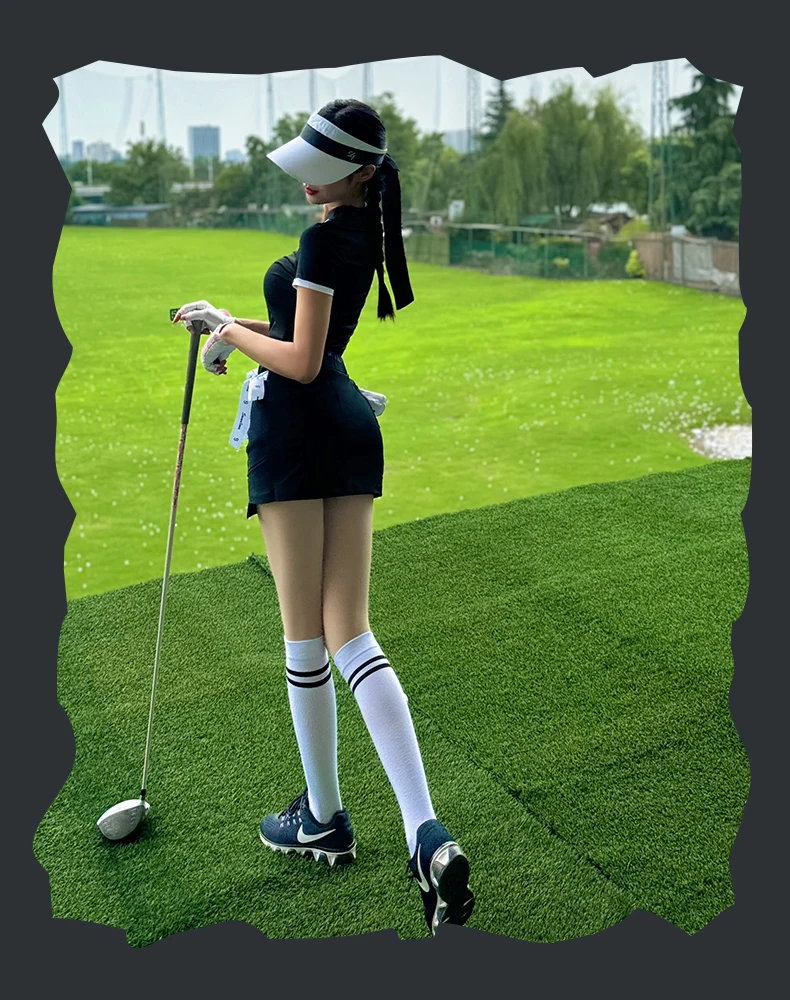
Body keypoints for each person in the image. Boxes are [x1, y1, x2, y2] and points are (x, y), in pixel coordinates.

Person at [173, 99, 474, 936]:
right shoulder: (359, 233)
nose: (308, 180)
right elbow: (309, 337)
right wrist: (228, 325)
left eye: (324, 167)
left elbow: (301, 362)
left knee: (305, 637)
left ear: (361, 172)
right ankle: (424, 832)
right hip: (349, 426)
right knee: (352, 632)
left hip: (299, 434)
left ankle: (324, 818)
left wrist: (226, 329)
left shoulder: (320, 242)